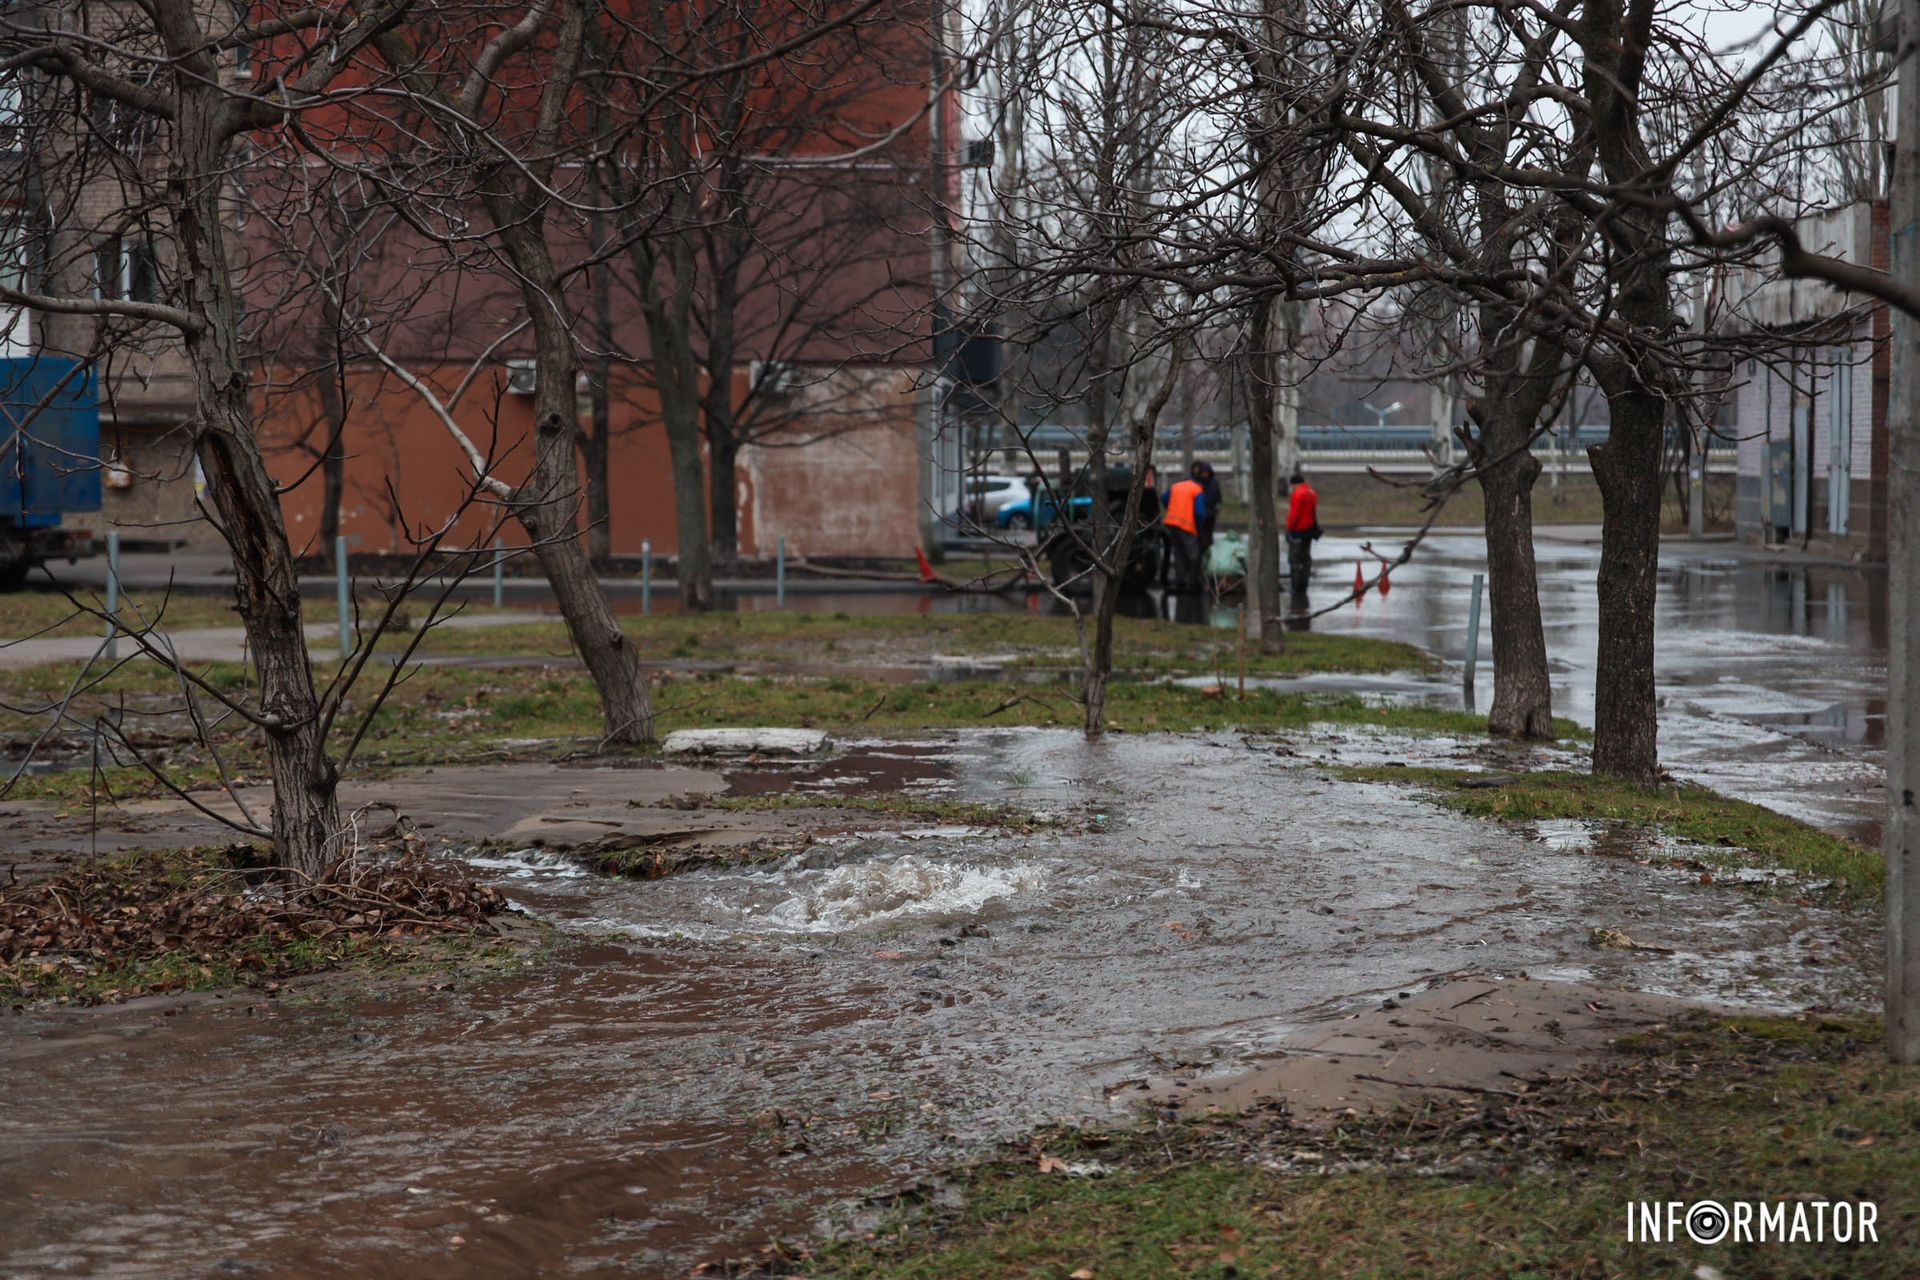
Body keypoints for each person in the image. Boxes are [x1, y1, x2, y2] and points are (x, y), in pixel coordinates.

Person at [1162, 469, 1208, 592]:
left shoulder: (1175, 486)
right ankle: (1191, 582)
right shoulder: (1198, 490)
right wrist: (1200, 526)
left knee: (1178, 553)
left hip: (1171, 523)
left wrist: (1172, 508)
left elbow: (1164, 498)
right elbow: (1199, 512)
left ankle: (1180, 580)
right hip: (1186, 525)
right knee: (1193, 554)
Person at [1284, 468, 1319, 596]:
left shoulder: (1298, 494)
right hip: (1309, 531)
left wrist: (1289, 530)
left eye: (1292, 485)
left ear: (1294, 483)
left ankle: (1296, 587)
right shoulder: (1311, 493)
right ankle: (1304, 585)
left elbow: (1294, 515)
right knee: (1305, 559)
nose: (1291, 488)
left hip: (1297, 531)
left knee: (1294, 559)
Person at [1192, 460, 1222, 560]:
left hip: (1209, 516)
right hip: (1200, 516)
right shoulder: (1196, 483)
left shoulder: (1212, 483)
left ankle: (1206, 560)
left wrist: (1215, 509)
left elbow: (1217, 498)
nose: (1205, 474)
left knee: (1206, 540)